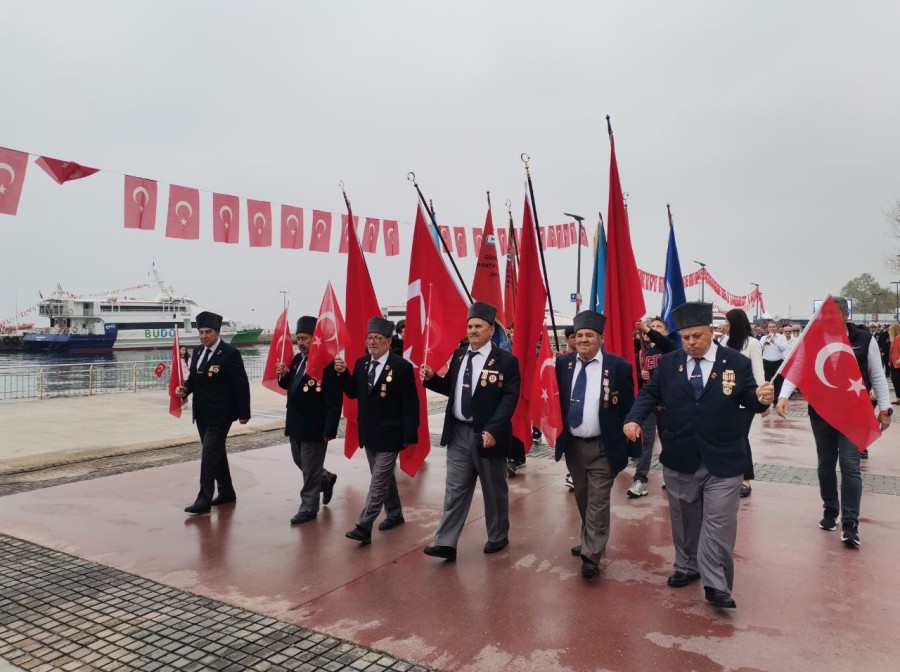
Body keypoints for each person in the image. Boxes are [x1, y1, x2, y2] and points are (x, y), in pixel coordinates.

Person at [624, 302, 774, 609]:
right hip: (680, 455)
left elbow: (747, 399)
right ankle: (687, 565)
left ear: (711, 332)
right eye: (685, 337)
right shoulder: (669, 363)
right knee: (684, 518)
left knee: (719, 523)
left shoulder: (735, 362)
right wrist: (634, 418)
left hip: (724, 457)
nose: (691, 342)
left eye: (697, 336)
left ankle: (716, 585)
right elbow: (650, 393)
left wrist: (760, 399)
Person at [776, 297, 891, 548]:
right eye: (823, 315)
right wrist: (783, 396)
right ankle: (830, 508)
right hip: (822, 413)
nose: (826, 320)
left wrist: (886, 409)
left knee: (850, 465)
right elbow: (798, 368)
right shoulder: (813, 339)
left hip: (853, 414)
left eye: (832, 315)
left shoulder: (865, 340)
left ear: (845, 315)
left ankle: (850, 523)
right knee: (825, 464)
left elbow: (878, 376)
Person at [421, 301, 521, 562]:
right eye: (470, 326)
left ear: (491, 330)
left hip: (488, 436)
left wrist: (493, 429)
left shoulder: (506, 361)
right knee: (455, 489)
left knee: (493, 490)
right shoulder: (459, 355)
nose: (473, 330)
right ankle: (446, 542)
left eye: (478, 326)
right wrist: (431, 378)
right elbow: (452, 388)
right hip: (458, 433)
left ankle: (498, 535)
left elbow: (509, 399)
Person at [552, 310, 635, 579]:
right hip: (573, 446)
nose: (583, 339)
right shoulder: (562, 364)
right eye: (579, 335)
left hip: (603, 446)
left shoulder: (619, 367)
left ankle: (591, 554)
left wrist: (633, 443)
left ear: (601, 338)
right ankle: (590, 538)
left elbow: (629, 407)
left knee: (598, 500)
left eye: (589, 335)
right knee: (583, 497)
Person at [334, 316, 419, 544]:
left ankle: (364, 525)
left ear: (388, 342)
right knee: (383, 477)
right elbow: (353, 392)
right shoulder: (362, 364)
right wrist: (342, 373)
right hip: (369, 432)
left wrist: (409, 435)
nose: (372, 342)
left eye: (377, 338)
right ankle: (395, 513)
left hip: (391, 433)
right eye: (369, 338)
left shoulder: (401, 367)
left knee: (378, 481)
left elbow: (411, 404)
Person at [176, 311, 251, 515]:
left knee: (209, 454)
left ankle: (204, 499)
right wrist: (185, 389)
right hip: (201, 413)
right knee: (216, 453)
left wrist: (244, 412)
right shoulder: (198, 351)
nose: (203, 336)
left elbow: (241, 384)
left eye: (208, 332)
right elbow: (194, 378)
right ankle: (226, 491)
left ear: (217, 332)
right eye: (201, 332)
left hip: (221, 414)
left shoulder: (229, 353)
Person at [276, 316, 342, 525]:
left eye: (305, 338)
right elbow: (291, 386)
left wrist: (330, 429)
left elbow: (334, 401)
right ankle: (326, 479)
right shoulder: (297, 360)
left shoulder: (327, 364)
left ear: (316, 338)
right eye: (298, 338)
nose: (300, 342)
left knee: (310, 469)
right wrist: (283, 375)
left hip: (315, 425)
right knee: (301, 462)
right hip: (295, 422)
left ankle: (308, 508)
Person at [627, 316, 676, 498]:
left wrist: (647, 329)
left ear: (666, 331)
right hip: (650, 404)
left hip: (667, 403)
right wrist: (642, 375)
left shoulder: (670, 349)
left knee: (668, 441)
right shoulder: (642, 352)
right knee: (646, 441)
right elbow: (634, 375)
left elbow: (665, 344)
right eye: (652, 326)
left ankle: (670, 476)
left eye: (658, 327)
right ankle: (640, 479)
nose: (654, 329)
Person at [720, 309, 766, 498]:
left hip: (746, 398)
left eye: (727, 321)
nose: (725, 324)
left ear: (735, 322)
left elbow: (758, 371)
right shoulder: (724, 341)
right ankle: (727, 475)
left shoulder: (752, 343)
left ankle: (746, 479)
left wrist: (762, 399)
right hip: (725, 397)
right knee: (726, 437)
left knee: (741, 437)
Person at [760, 320, 787, 400]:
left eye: (773, 327)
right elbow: (759, 347)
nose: (772, 328)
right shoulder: (764, 337)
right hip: (766, 362)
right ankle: (765, 399)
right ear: (767, 328)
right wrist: (765, 341)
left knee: (778, 383)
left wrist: (774, 342)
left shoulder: (782, 337)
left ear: (777, 328)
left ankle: (776, 400)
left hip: (778, 362)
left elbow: (783, 348)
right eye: (770, 327)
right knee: (766, 382)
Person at [889, 323, 900, 405]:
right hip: (894, 363)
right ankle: (898, 397)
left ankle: (898, 397)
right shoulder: (894, 339)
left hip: (898, 363)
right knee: (895, 380)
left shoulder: (898, 338)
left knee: (897, 380)